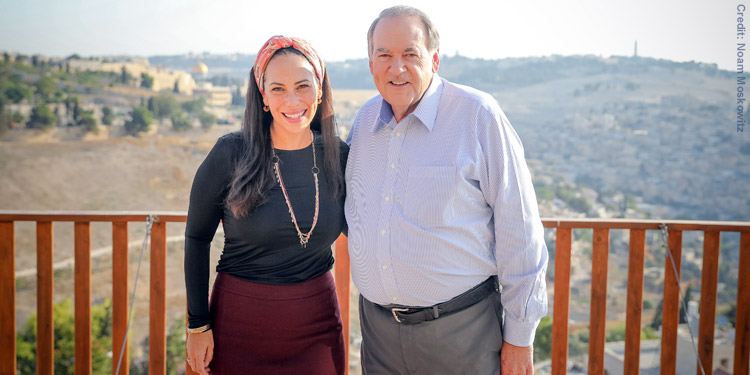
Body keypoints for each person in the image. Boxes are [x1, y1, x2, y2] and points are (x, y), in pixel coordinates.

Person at [345, 6, 548, 375]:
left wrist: (520, 337)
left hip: (460, 334)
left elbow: (519, 228)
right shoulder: (363, 123)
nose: (397, 67)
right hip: (377, 335)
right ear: (371, 63)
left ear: (434, 59)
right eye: (385, 55)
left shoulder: (477, 116)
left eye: (410, 54)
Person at [184, 35, 348, 375]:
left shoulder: (340, 156)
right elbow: (197, 238)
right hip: (238, 325)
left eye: (302, 86)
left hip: (317, 328)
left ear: (320, 89)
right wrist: (198, 326)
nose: (292, 100)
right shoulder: (231, 153)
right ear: (262, 95)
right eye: (278, 89)